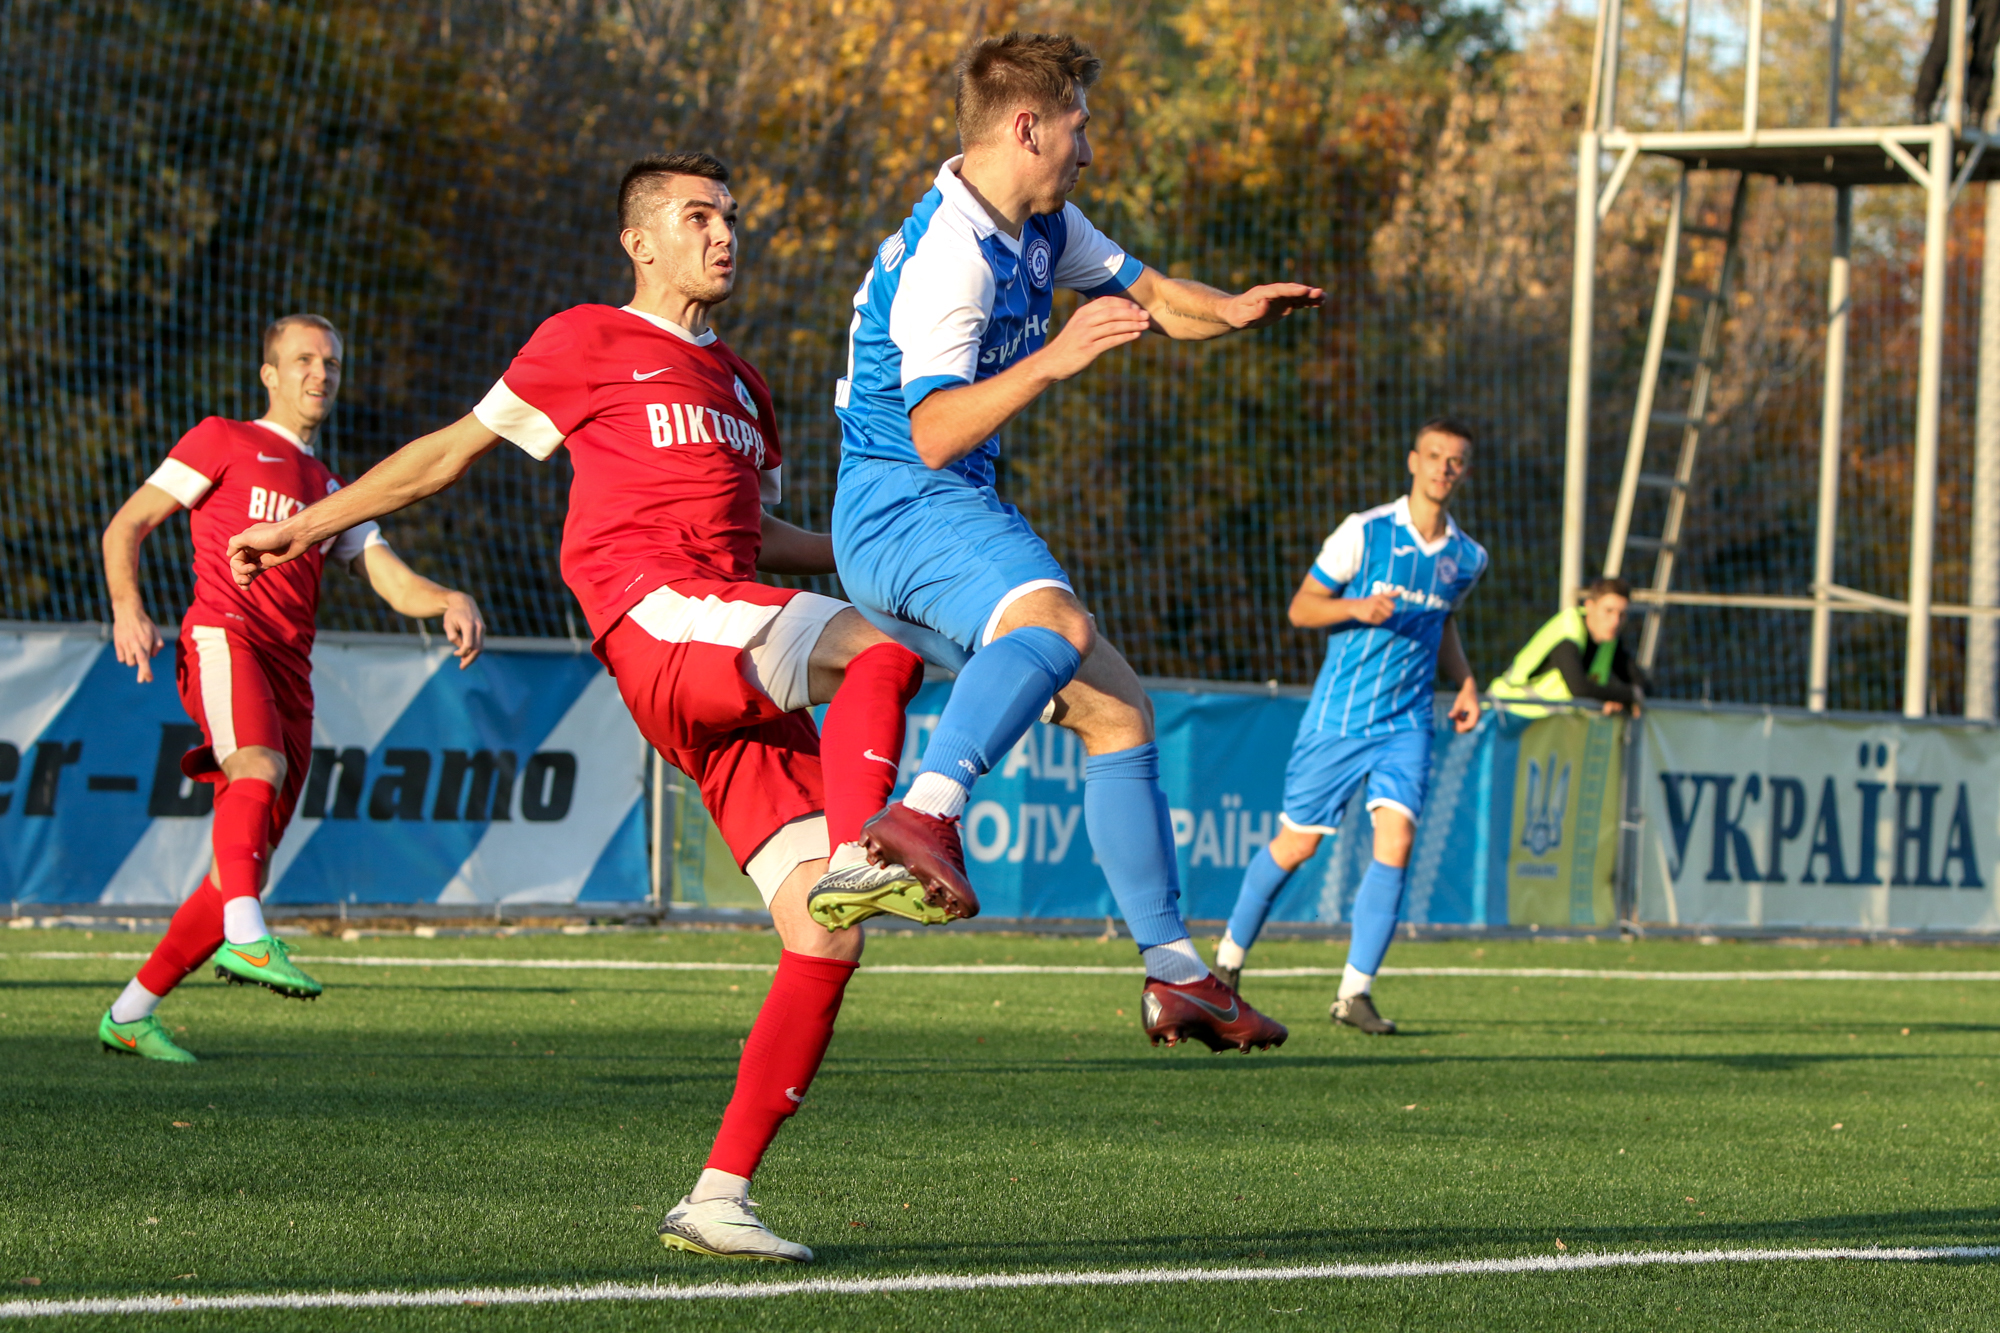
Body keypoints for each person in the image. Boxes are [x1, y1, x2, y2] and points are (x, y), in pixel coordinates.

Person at [225, 152, 929, 1266]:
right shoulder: (584, 339)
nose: (724, 234)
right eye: (697, 217)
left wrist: (895, 552)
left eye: (731, 216)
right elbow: (445, 456)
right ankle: (866, 846)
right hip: (657, 615)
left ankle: (718, 1195)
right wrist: (304, 527)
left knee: (822, 932)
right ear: (638, 242)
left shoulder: (745, 388)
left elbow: (759, 540)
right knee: (880, 653)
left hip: (727, 639)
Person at [813, 30, 1321, 1053]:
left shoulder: (1041, 225)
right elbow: (931, 432)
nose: (1088, 150)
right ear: (1027, 127)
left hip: (941, 508)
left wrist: (1231, 311)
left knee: (1117, 710)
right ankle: (921, 815)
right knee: (1054, 620)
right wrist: (1052, 359)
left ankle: (1177, 975)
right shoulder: (950, 253)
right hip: (902, 501)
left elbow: (1150, 295)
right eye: (1078, 129)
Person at [96, 314, 487, 1064]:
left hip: (290, 671)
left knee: (238, 869)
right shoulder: (222, 439)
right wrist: (127, 607)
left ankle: (130, 1012)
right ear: (269, 374)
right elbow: (128, 525)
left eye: (331, 362)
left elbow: (389, 577)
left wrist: (446, 597)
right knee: (257, 767)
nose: (320, 373)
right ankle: (248, 936)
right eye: (304, 359)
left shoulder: (330, 488)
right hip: (224, 636)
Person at [1214, 420, 1488, 1036]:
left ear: (1465, 472)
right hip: (1340, 718)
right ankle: (1228, 960)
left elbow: (1442, 621)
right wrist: (1355, 607)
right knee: (1297, 845)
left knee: (1398, 842)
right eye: (1435, 456)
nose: (1444, 468)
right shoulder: (1364, 532)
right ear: (1413, 461)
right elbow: (1301, 608)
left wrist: (1466, 680)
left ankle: (1354, 993)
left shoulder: (1468, 558)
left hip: (1408, 722)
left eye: (1455, 460)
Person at [1489, 577, 1645, 717]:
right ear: (1589, 606)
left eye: (1622, 614)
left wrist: (1622, 700)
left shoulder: (1609, 641)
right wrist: (1629, 696)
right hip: (1505, 712)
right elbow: (1579, 688)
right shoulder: (1568, 633)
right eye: (1608, 611)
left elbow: (1642, 685)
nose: (1615, 621)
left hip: (1543, 725)